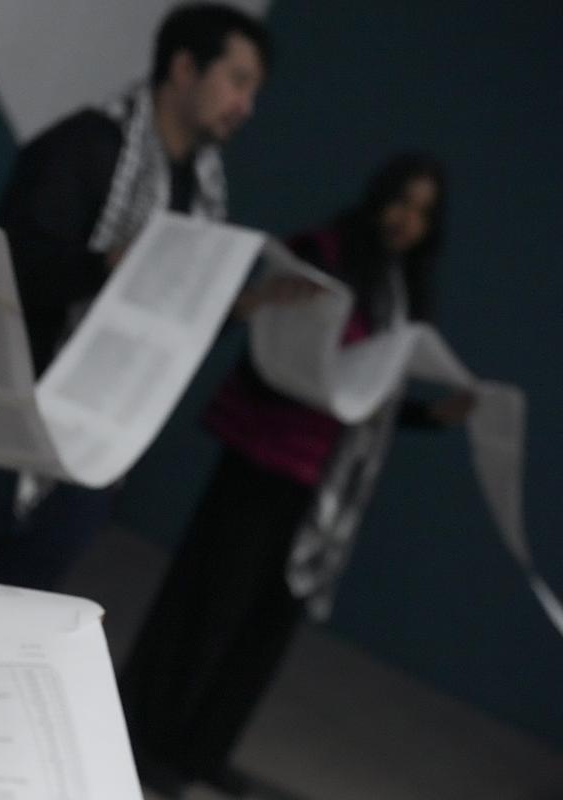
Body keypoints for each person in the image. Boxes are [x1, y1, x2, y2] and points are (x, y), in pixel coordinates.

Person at [119, 153, 473, 794]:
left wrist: (432, 416)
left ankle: (201, 749)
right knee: (208, 606)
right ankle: (143, 737)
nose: (406, 221)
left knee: (265, 627)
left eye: (422, 214)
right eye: (401, 201)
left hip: (323, 486)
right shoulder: (325, 250)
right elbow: (271, 354)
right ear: (378, 196)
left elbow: (371, 397)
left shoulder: (403, 292)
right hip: (264, 455)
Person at [0, 3, 270, 588]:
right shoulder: (85, 145)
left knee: (27, 602)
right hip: (11, 417)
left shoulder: (205, 191)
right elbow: (10, 272)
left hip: (102, 433)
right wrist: (112, 263)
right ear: (184, 68)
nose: (246, 106)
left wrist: (234, 307)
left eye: (253, 90)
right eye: (237, 82)